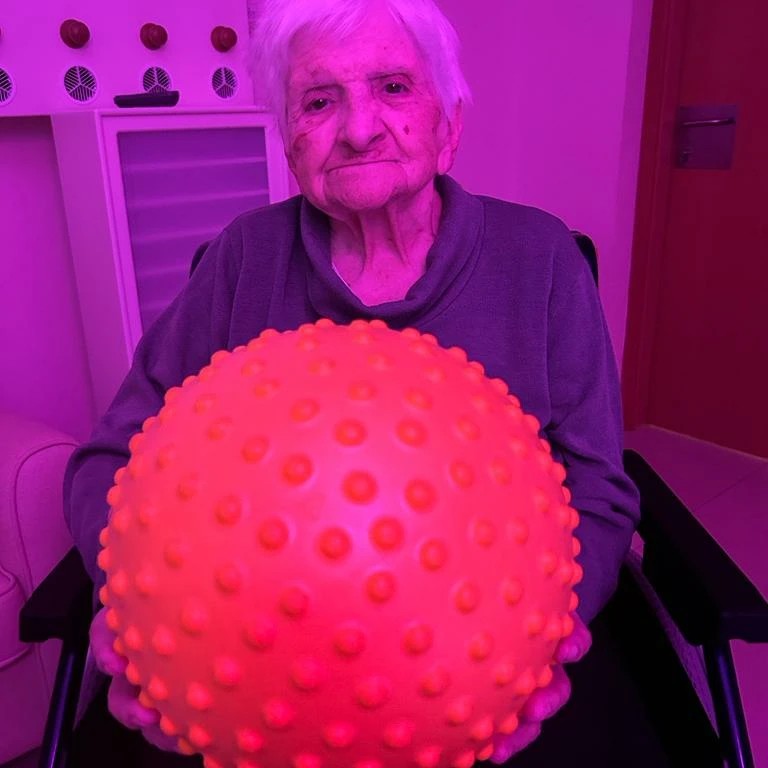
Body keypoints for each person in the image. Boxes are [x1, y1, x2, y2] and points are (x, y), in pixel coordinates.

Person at [64, 0, 640, 764]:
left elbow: (598, 489)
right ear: (290, 144)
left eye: (393, 88)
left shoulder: (541, 258)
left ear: (449, 125)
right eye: (319, 101)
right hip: (250, 677)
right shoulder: (244, 258)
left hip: (480, 663)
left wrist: (545, 628)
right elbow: (108, 458)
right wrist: (136, 601)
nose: (360, 128)